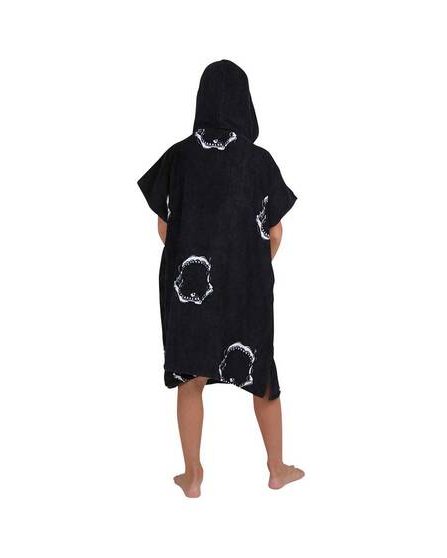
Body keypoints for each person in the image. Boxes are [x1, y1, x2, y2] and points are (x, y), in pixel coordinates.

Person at [137, 60, 304, 497]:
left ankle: (192, 475)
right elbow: (275, 232)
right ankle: (276, 468)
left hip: (189, 291)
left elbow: (164, 227)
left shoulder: (178, 157)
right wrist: (246, 267)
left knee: (190, 377)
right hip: (246, 288)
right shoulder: (259, 161)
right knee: (262, 377)